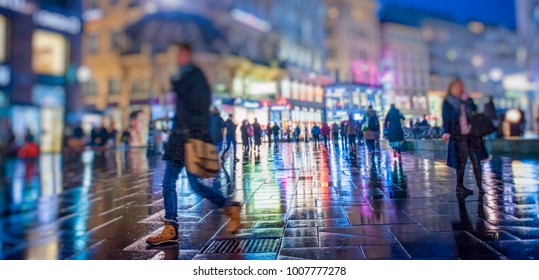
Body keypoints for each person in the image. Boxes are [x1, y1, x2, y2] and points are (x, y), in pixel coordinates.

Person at [146, 43, 241, 246]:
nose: (175, 58)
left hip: (186, 139)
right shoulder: (185, 76)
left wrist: (196, 136)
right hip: (181, 138)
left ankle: (172, 228)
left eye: (178, 53)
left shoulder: (193, 77)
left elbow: (198, 108)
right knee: (186, 184)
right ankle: (228, 207)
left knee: (174, 183)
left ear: (186, 53)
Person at [442, 78, 488, 196]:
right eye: (455, 87)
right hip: (459, 136)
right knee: (461, 162)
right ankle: (459, 186)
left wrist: (468, 101)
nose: (458, 89)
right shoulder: (448, 102)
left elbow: (475, 110)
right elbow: (446, 117)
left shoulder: (467, 100)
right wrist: (446, 131)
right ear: (451, 88)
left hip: (472, 135)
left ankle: (480, 186)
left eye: (460, 86)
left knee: (476, 161)